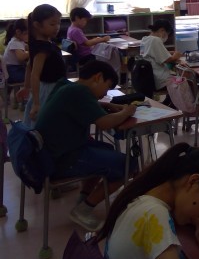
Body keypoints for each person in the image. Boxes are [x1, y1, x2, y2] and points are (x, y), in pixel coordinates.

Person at [34, 60, 137, 231]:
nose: (104, 94)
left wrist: (108, 105)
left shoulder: (67, 86)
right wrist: (126, 111)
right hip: (61, 159)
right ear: (98, 77)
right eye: (107, 87)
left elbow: (85, 104)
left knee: (107, 149)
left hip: (50, 154)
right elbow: (104, 123)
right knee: (129, 165)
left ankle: (84, 198)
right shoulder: (80, 92)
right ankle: (84, 209)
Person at [17, 4, 66, 128]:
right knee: (45, 123)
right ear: (37, 25)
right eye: (52, 24)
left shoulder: (41, 43)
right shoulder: (43, 48)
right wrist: (36, 103)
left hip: (51, 87)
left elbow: (29, 66)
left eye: (58, 23)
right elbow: (35, 74)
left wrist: (26, 87)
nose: (57, 27)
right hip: (50, 89)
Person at [140, 19, 182, 101]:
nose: (166, 37)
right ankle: (183, 104)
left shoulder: (145, 39)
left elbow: (151, 54)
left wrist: (168, 52)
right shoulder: (156, 40)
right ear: (162, 30)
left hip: (150, 77)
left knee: (178, 77)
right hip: (160, 80)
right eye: (167, 34)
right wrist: (176, 56)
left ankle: (170, 102)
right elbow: (168, 60)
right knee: (186, 80)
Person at [3, 18, 29, 85]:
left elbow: (27, 47)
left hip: (14, 70)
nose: (28, 36)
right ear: (18, 32)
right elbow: (21, 57)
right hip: (13, 72)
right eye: (26, 33)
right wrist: (31, 51)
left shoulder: (19, 41)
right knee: (32, 75)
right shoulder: (15, 42)